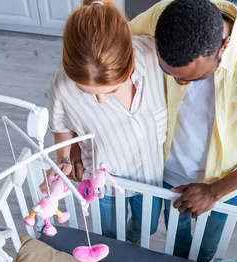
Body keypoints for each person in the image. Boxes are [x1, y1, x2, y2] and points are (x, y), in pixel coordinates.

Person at [130, 0, 237, 262]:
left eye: (193, 78)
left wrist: (214, 192)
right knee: (177, 236)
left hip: (225, 181)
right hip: (167, 167)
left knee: (210, 243)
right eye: (170, 73)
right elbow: (121, 44)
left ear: (224, 45)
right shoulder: (162, 16)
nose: (180, 83)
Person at [42, 0, 168, 243]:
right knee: (109, 233)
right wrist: (64, 161)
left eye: (109, 91)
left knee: (147, 228)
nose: (100, 100)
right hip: (103, 182)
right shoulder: (63, 88)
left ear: (130, 63)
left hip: (150, 175)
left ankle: (132, 242)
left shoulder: (152, 57)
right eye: (88, 92)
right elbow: (62, 127)